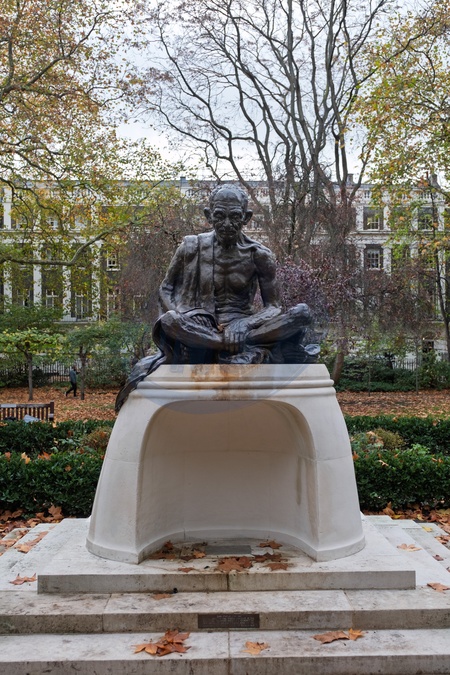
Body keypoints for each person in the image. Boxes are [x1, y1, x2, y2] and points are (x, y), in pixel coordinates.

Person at [115, 184, 318, 410]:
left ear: (246, 217)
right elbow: (166, 289)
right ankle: (224, 345)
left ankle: (223, 344)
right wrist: (187, 315)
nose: (227, 224)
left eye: (235, 217)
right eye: (220, 216)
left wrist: (244, 324)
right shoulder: (190, 247)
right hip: (200, 326)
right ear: (208, 215)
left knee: (301, 313)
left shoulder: (259, 255)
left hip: (244, 327)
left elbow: (274, 306)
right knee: (170, 320)